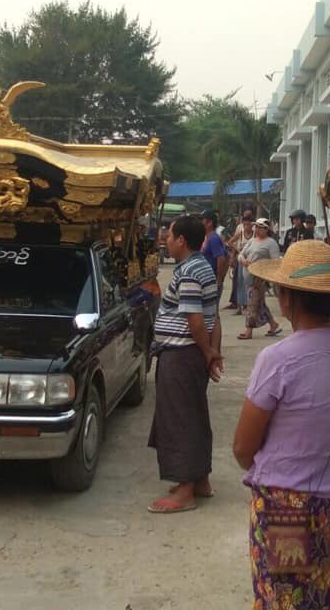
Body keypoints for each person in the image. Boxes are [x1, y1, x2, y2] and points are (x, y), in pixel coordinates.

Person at [233, 240, 330, 610]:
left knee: (284, 600)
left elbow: (243, 448)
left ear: (286, 298)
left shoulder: (278, 359)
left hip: (286, 506)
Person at [147, 215, 222, 514]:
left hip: (182, 354)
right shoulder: (199, 266)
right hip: (188, 353)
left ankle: (185, 491)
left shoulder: (190, 270)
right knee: (192, 414)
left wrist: (207, 352)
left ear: (181, 240)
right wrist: (211, 351)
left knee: (179, 420)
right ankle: (199, 479)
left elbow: (195, 320)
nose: (164, 238)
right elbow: (212, 316)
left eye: (169, 234)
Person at [237, 218, 282, 340]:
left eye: (260, 227)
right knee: (260, 304)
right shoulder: (252, 241)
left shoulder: (271, 243)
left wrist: (266, 274)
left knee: (251, 304)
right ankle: (273, 325)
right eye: (256, 226)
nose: (257, 229)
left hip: (259, 280)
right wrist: (244, 261)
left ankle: (248, 330)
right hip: (248, 277)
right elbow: (240, 254)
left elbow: (275, 263)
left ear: (266, 229)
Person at [225, 211, 255, 314]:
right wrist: (238, 250)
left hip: (250, 261)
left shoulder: (255, 234)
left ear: (252, 224)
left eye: (248, 224)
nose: (246, 226)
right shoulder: (241, 233)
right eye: (245, 224)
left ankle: (248, 304)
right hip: (241, 260)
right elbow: (229, 242)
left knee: (249, 283)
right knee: (239, 283)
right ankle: (239, 307)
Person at [200, 210, 228, 285]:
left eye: (202, 220)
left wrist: (219, 279)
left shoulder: (213, 239)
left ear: (209, 223)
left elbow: (221, 258)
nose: (201, 223)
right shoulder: (207, 237)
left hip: (212, 280)